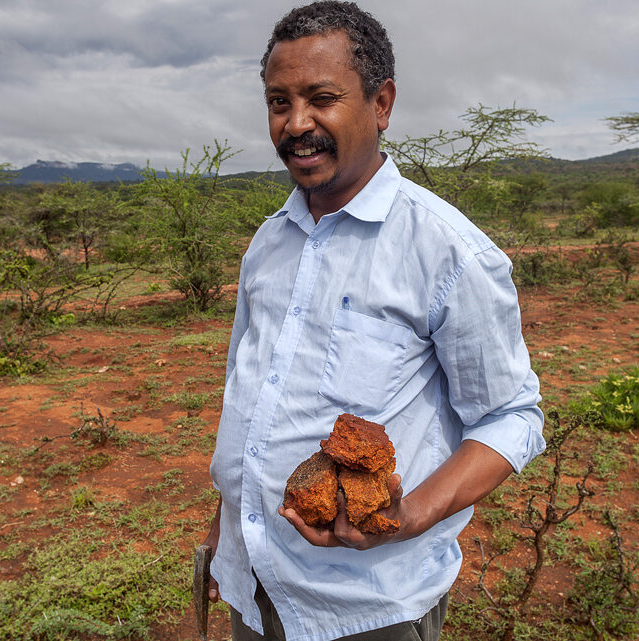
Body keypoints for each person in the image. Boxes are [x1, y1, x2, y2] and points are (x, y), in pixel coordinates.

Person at [202, 2, 546, 640]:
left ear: (381, 104)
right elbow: (248, 401)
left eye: (321, 98)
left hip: (365, 608)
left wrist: (409, 514)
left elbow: (513, 417)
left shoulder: (448, 253)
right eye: (279, 102)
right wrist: (225, 539)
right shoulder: (268, 244)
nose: (296, 124)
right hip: (254, 589)